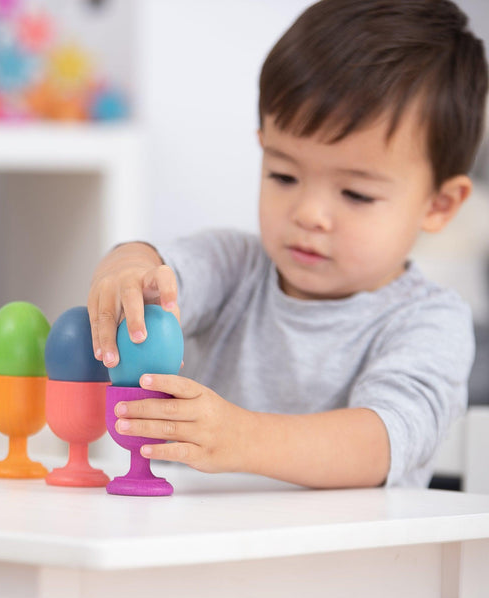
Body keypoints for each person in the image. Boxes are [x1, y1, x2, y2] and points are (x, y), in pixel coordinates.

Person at [88, 0, 488, 488]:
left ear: (439, 205)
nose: (308, 214)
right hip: (198, 549)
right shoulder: (236, 266)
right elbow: (156, 273)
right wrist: (125, 271)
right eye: (283, 174)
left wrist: (239, 437)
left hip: (358, 563)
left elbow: (382, 444)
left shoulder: (430, 320)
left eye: (356, 193)